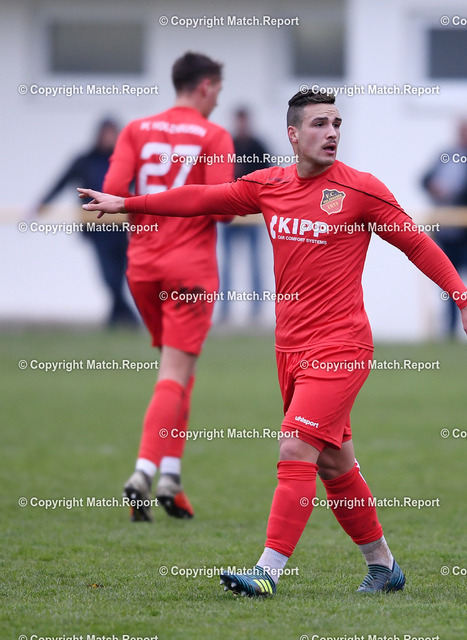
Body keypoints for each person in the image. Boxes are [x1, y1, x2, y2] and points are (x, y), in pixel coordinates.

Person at [79, 90, 467, 596]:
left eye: (337, 123)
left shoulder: (361, 189)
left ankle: (267, 571)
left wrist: (465, 301)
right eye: (320, 123)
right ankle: (383, 566)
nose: (332, 132)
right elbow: (200, 199)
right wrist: (128, 203)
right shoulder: (270, 185)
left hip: (342, 347)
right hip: (289, 351)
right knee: (334, 462)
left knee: (295, 446)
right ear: (293, 135)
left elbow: (417, 243)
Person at [101, 52, 234, 521]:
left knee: (178, 369)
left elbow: (114, 188)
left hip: (142, 269)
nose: (218, 100)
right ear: (204, 86)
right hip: (189, 271)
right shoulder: (214, 135)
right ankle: (144, 471)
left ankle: (171, 480)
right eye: (218, 91)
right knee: (175, 372)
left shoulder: (136, 129)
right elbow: (222, 208)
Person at [33, 118, 138, 327]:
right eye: (106, 134)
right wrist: (42, 205)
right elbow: (61, 182)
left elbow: (143, 185)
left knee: (121, 275)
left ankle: (116, 318)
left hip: (121, 227)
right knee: (109, 276)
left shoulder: (126, 160)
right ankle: (128, 318)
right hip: (97, 228)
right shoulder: (85, 161)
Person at [422, 119, 467, 335]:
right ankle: (450, 329)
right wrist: (434, 187)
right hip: (448, 233)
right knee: (449, 284)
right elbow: (424, 178)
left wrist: (454, 192)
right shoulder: (446, 155)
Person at [218, 108, 270, 322]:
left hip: (252, 213)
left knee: (255, 261)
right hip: (230, 213)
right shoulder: (227, 145)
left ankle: (256, 310)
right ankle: (225, 309)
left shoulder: (258, 146)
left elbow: (269, 178)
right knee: (227, 263)